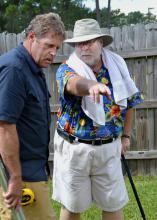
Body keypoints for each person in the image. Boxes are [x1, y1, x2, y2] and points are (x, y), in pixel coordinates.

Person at [52, 18, 143, 220]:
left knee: (113, 205)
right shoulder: (67, 68)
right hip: (74, 149)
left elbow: (130, 102)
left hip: (109, 148)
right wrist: (91, 86)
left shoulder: (117, 67)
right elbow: (73, 84)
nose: (83, 47)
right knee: (72, 206)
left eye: (89, 41)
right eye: (79, 43)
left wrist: (126, 137)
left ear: (101, 42)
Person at [0, 13, 65, 220]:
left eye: (57, 48)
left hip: (33, 169)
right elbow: (4, 127)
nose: (53, 53)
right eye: (49, 45)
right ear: (31, 37)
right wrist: (15, 178)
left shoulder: (33, 69)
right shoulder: (14, 69)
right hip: (21, 174)